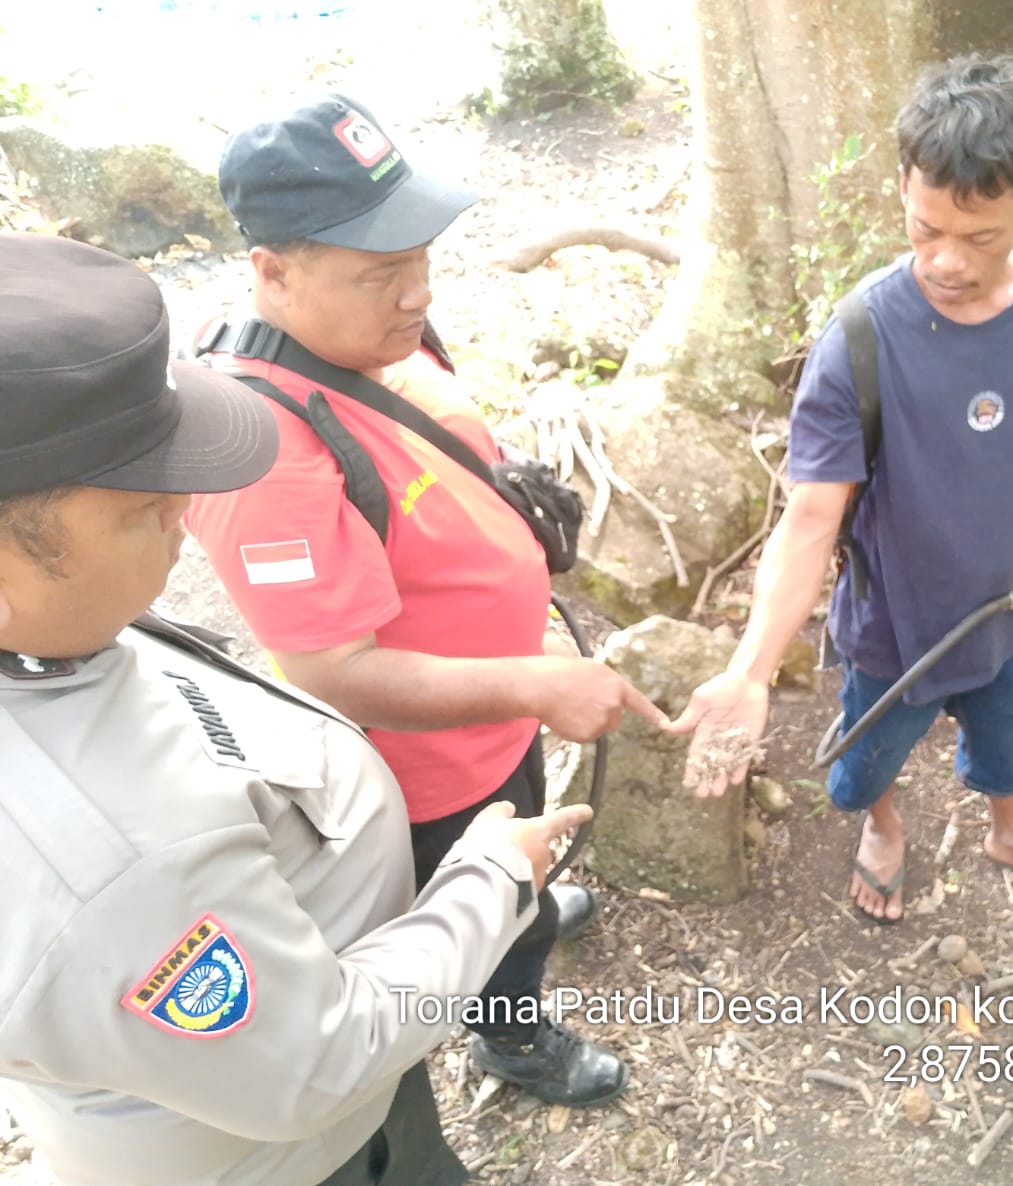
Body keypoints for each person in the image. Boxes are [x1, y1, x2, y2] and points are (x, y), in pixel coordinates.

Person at [0, 230, 596, 1186]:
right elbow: (317, 1062)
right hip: (307, 1154)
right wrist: (485, 882)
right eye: (141, 505)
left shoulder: (49, 631)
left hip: (351, 992)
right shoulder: (112, 871)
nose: (183, 510)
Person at [182, 94, 666, 1106]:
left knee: (517, 851)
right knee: (473, 888)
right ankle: (510, 1031)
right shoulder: (256, 446)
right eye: (379, 271)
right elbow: (332, 670)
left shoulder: (373, 334)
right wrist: (535, 681)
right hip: (426, 772)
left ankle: (523, 907)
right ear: (274, 270)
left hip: (495, 716)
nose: (417, 293)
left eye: (420, 257)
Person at [671, 54, 1013, 922]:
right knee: (867, 763)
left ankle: (1010, 828)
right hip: (894, 630)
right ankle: (882, 826)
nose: (945, 261)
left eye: (979, 237)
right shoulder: (861, 338)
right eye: (925, 229)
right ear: (903, 191)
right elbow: (812, 517)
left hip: (1011, 608)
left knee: (1009, 747)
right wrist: (750, 669)